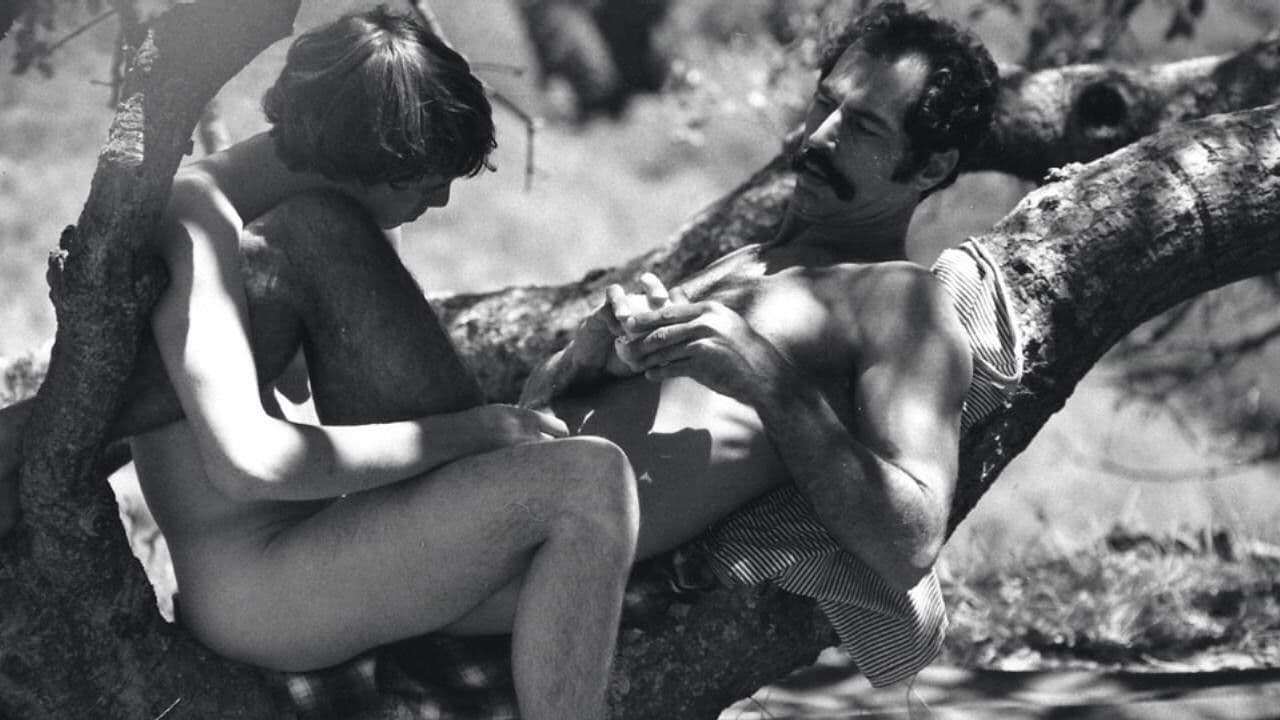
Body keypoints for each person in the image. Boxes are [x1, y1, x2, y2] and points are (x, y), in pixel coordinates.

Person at [1, 0, 1011, 700]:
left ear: (931, 166)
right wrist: (587, 353)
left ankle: (36, 435)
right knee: (312, 229)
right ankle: (51, 421)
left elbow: (908, 540)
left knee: (581, 475)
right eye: (823, 101)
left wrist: (761, 375)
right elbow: (545, 416)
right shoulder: (748, 262)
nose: (818, 133)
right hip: (449, 517)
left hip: (510, 540)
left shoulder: (903, 305)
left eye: (861, 126)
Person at [2, 8, 643, 720]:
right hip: (258, 585)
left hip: (317, 540)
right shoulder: (200, 218)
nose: (440, 199)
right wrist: (473, 434)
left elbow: (324, 384)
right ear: (364, 163)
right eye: (424, 181)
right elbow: (249, 464)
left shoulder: (314, 219)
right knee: (589, 481)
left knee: (574, 476)